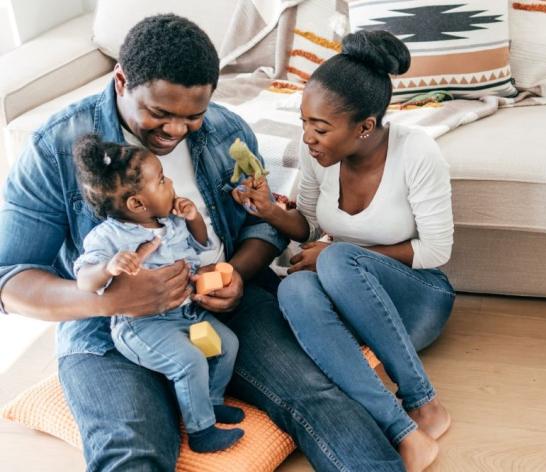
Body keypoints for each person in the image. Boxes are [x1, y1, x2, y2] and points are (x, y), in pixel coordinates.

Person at [0, 14, 405, 471]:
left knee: (315, 395)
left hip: (219, 309)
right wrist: (110, 300)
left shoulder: (227, 131)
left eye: (193, 116)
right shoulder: (57, 146)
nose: (175, 131)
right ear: (120, 81)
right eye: (159, 113)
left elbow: (262, 225)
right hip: (104, 329)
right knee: (131, 449)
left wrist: (237, 273)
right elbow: (10, 280)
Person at [232, 30, 455, 472]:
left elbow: (437, 250)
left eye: (320, 128)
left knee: (332, 257)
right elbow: (310, 227)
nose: (308, 138)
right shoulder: (316, 155)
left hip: (418, 299)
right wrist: (270, 211)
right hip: (352, 304)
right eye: (303, 123)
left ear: (365, 126)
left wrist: (340, 255)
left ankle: (423, 401)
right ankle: (402, 429)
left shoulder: (417, 153)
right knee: (294, 290)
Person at [73, 134, 244, 453]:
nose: (171, 183)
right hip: (143, 326)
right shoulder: (108, 237)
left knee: (227, 345)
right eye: (162, 180)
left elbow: (201, 245)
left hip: (185, 312)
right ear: (136, 203)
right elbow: (85, 279)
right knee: (190, 361)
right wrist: (109, 267)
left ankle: (210, 403)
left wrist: (193, 219)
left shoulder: (171, 221)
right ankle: (201, 432)